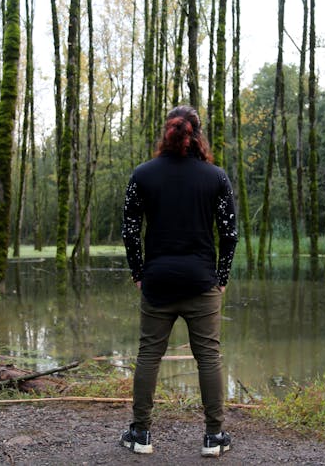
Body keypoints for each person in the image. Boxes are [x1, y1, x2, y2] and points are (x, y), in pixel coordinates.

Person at [120, 105, 238, 457]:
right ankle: (213, 437)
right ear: (197, 134)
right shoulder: (216, 177)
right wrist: (221, 277)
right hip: (202, 282)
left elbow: (130, 231)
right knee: (209, 358)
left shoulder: (143, 175)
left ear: (166, 133)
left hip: (157, 282)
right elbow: (229, 234)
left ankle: (141, 434)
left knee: (148, 355)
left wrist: (139, 272)